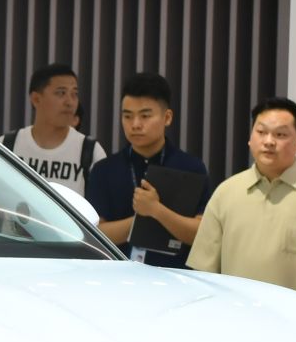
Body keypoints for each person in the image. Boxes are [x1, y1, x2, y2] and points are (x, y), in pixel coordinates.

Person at [187, 96, 296, 304]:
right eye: (261, 132)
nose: (269, 141)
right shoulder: (226, 193)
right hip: (235, 318)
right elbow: (204, 273)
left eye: (280, 134)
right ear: (250, 138)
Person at [86, 72, 209, 268]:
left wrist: (156, 210)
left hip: (175, 274)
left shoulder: (191, 167)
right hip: (117, 274)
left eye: (145, 116)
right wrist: (142, 218)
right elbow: (94, 233)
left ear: (167, 117)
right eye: (127, 116)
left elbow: (201, 234)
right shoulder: (105, 170)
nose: (135, 124)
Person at [2, 64, 104, 198]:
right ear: (36, 99)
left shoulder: (91, 151)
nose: (70, 102)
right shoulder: (7, 145)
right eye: (61, 93)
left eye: (74, 94)